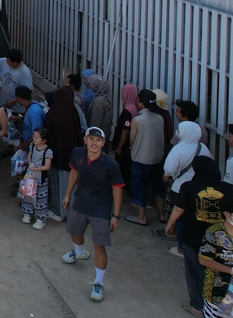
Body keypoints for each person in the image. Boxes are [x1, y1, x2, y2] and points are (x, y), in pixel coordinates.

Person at [60, 126, 124, 304]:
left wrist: (116, 216)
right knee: (74, 232)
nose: (94, 143)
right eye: (91, 139)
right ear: (85, 140)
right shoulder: (77, 153)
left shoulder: (111, 165)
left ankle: (98, 283)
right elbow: (74, 172)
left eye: (98, 140)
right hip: (80, 202)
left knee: (99, 246)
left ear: (103, 143)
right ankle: (79, 252)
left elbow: (117, 189)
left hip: (100, 209)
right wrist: (68, 194)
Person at [165, 155, 231, 314]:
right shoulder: (225, 189)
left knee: (193, 270)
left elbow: (179, 208)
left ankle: (197, 305)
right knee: (216, 272)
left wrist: (170, 224)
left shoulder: (189, 187)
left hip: (192, 236)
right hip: (218, 239)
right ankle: (217, 305)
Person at [127, 88, 166, 226]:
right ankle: (162, 214)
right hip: (157, 158)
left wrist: (133, 148)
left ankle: (141, 217)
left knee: (139, 187)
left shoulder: (137, 120)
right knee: (158, 188)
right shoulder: (160, 119)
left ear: (141, 103)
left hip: (140, 158)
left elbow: (132, 140)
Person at [45, 86, 84, 223]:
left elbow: (47, 133)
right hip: (73, 155)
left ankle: (60, 211)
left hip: (58, 155)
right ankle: (72, 212)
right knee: (71, 184)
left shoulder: (53, 113)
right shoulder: (73, 112)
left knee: (59, 183)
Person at [21, 128, 53, 229]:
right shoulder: (33, 145)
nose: (34, 139)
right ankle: (27, 213)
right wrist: (30, 163)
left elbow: (47, 166)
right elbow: (29, 155)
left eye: (37, 137)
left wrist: (35, 168)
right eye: (34, 137)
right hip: (30, 177)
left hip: (40, 179)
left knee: (40, 199)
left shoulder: (48, 151)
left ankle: (40, 219)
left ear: (44, 140)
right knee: (28, 195)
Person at [111, 84, 140, 192]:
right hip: (130, 146)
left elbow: (125, 131)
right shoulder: (135, 109)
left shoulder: (128, 111)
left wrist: (119, 147)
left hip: (125, 146)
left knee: (123, 167)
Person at [0, 50, 33, 118]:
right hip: (4, 104)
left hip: (17, 110)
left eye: (8, 62)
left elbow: (27, 92)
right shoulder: (5, 61)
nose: (6, 62)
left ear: (15, 63)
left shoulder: (25, 73)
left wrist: (13, 101)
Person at [85, 75, 113, 139]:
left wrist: (91, 137)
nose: (89, 85)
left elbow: (95, 122)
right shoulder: (104, 98)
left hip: (97, 137)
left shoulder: (98, 102)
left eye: (91, 83)